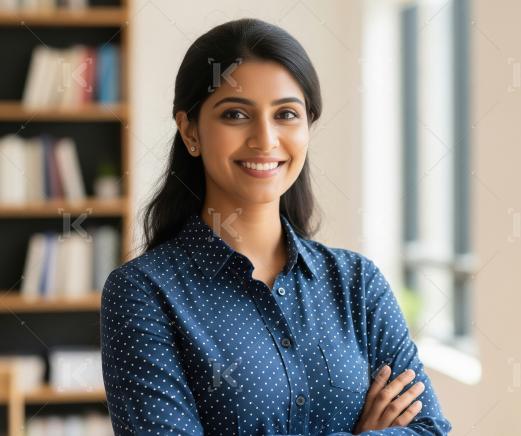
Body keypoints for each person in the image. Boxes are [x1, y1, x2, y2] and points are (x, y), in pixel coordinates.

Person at [100, 18, 451, 436]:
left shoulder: (357, 284)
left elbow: (429, 428)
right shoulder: (144, 293)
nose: (265, 139)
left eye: (286, 114)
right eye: (235, 114)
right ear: (190, 131)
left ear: (307, 128)